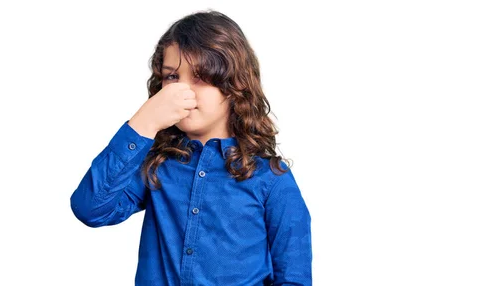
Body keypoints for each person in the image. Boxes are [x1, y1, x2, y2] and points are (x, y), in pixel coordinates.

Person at [70, 10, 312, 286]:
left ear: (234, 85)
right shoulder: (157, 164)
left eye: (200, 77)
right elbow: (90, 209)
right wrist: (143, 124)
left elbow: (294, 278)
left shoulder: (271, 179)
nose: (182, 91)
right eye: (172, 77)